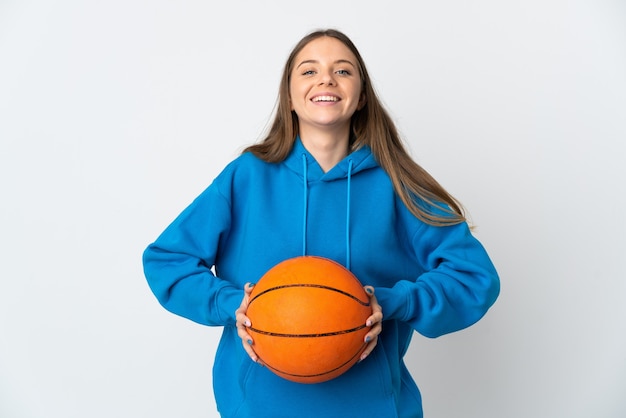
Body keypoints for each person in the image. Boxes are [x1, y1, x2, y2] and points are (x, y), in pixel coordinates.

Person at [143, 28, 500, 418]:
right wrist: (236, 305)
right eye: (309, 71)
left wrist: (394, 301)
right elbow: (167, 260)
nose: (326, 79)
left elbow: (474, 278)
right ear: (290, 96)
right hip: (258, 408)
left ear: (361, 97)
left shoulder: (396, 183)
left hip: (373, 408)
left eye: (343, 71)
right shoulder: (247, 177)